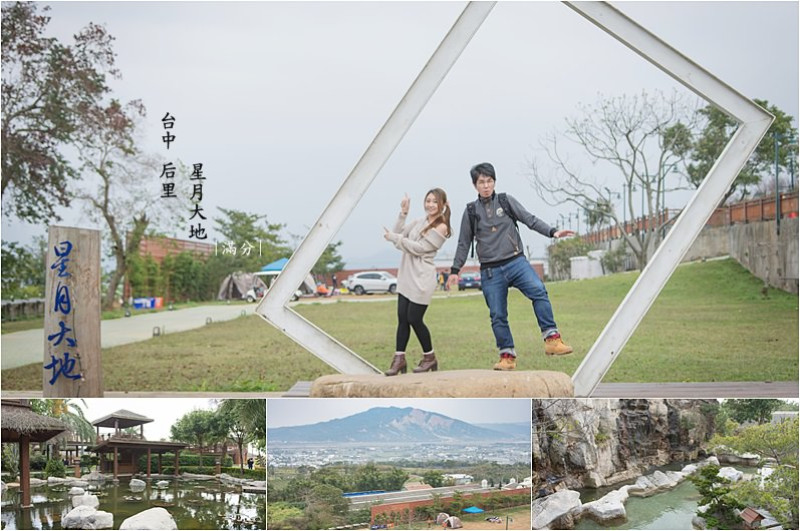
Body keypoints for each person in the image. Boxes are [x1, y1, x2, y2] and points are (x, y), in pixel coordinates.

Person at [447, 162, 574, 371]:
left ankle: (552, 340)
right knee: (497, 314)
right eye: (481, 182)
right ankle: (507, 355)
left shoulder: (506, 201)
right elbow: (463, 243)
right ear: (475, 185)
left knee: (538, 291)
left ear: (494, 182)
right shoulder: (471, 211)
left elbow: (529, 219)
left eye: (489, 181)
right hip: (490, 270)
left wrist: (552, 232)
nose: (486, 186)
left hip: (516, 262)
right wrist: (454, 270)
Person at [383, 188, 451, 375]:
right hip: (406, 274)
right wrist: (403, 213)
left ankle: (429, 357)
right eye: (427, 200)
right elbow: (397, 232)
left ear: (443, 205)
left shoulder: (442, 226)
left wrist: (395, 238)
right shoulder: (419, 221)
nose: (430, 204)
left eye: (434, 201)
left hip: (422, 276)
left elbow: (420, 248)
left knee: (414, 318)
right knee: (402, 319)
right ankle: (399, 360)